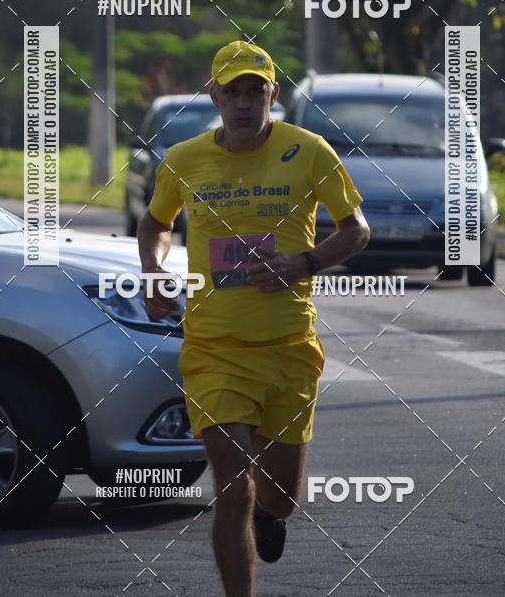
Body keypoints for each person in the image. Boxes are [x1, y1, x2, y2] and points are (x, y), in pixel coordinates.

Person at [138, 40, 370, 597]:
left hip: (287, 346)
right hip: (214, 347)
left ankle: (273, 514)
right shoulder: (184, 159)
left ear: (273, 95)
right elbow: (156, 223)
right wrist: (152, 270)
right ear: (213, 94)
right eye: (233, 92)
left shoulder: (309, 151)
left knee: (278, 494)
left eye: (255, 92)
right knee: (232, 485)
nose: (244, 104)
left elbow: (356, 228)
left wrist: (304, 263)